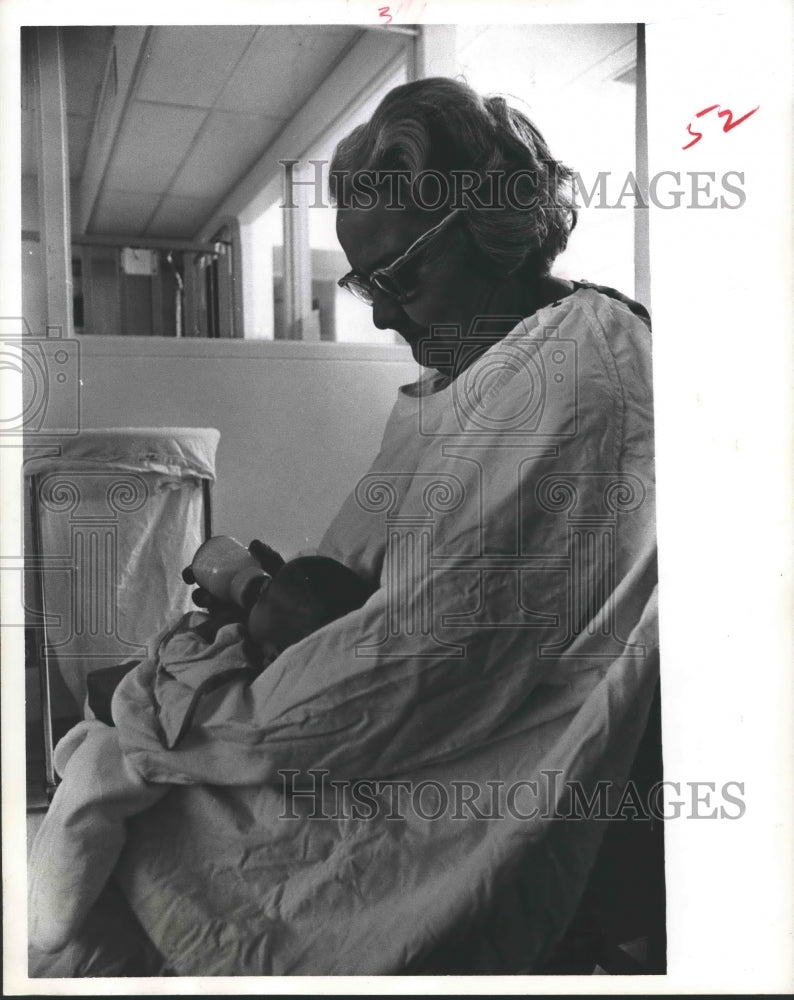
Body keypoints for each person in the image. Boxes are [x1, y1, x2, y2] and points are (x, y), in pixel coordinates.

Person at [30, 77, 658, 976]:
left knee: (143, 825)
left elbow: (420, 668)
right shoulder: (471, 375)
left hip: (454, 770)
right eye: (366, 280)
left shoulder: (578, 369)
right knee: (117, 759)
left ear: (491, 223)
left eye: (401, 275)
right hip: (374, 716)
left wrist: (195, 705)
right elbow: (355, 583)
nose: (382, 310)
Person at [28, 555, 375, 955]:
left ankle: (51, 917)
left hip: (146, 742)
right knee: (89, 742)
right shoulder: (250, 637)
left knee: (94, 787)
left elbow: (204, 706)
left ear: (276, 649)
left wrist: (186, 650)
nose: (255, 594)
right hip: (133, 707)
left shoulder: (255, 672)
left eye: (264, 597)